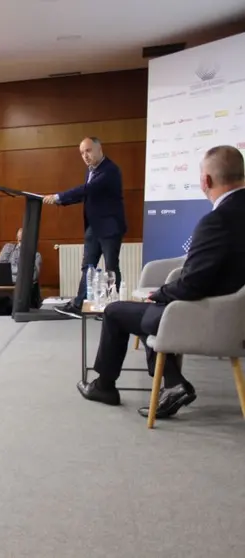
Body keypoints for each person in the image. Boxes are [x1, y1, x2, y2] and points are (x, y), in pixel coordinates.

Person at [78, 145, 245, 418]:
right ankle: (173, 383)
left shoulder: (216, 221)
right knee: (146, 315)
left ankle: (105, 386)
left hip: (204, 315)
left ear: (206, 181)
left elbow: (192, 285)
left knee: (117, 311)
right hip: (234, 316)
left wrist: (159, 294)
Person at [44, 137, 126, 319]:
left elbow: (87, 190)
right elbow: (85, 196)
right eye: (82, 153)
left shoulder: (110, 170)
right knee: (87, 267)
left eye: (88, 151)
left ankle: (111, 308)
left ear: (99, 149)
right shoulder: (90, 171)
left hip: (110, 228)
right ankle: (79, 304)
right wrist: (61, 202)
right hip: (93, 228)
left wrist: (59, 196)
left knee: (111, 268)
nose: (85, 156)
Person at [0, 228, 42, 316]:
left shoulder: (36, 255)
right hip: (5, 286)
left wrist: (11, 270)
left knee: (15, 302)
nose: (21, 242)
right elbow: (0, 267)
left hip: (22, 288)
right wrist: (20, 271)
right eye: (20, 239)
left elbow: (33, 275)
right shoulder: (8, 249)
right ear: (17, 238)